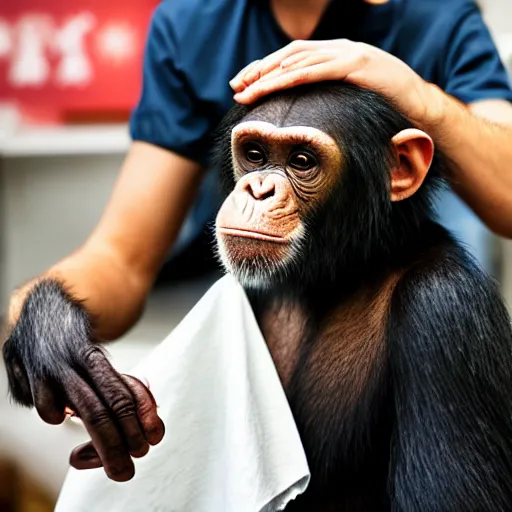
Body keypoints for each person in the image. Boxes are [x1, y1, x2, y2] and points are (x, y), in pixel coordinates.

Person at [4, 0, 512, 479]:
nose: (258, 187)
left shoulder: (432, 17)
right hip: (262, 292)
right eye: (251, 153)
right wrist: (44, 311)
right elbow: (121, 257)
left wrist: (420, 96)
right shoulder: (196, 23)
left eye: (301, 160)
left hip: (394, 276)